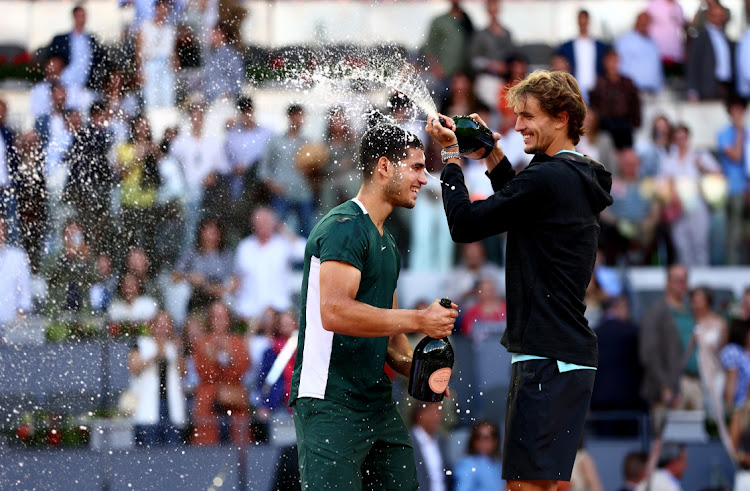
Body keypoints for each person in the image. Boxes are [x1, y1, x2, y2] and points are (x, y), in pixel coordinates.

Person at [426, 69, 613, 487]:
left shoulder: (547, 176)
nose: (518, 126)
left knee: (525, 485)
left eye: (528, 116)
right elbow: (521, 200)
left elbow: (464, 224)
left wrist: (453, 156)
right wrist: (490, 153)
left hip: (545, 355)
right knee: (551, 484)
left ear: (561, 117)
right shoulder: (572, 175)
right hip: (568, 354)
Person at [288, 122, 458, 490]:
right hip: (329, 402)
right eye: (415, 167)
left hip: (376, 402)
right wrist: (420, 319)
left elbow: (393, 342)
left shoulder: (388, 243)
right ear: (384, 167)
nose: (423, 178)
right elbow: (333, 311)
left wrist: (420, 371)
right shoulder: (344, 226)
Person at [127, 311, 187, 446]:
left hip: (172, 407)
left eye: (166, 325)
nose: (163, 329)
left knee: (173, 452)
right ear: (152, 326)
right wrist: (156, 355)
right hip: (146, 409)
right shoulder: (141, 343)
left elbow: (183, 373)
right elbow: (133, 367)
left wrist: (178, 351)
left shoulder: (175, 347)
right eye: (160, 325)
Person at [615, 12, 664, 94]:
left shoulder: (653, 42)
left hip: (652, 92)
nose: (644, 24)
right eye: (642, 21)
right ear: (636, 21)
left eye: (647, 22)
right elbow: (617, 65)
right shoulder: (625, 40)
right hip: (633, 91)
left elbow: (657, 66)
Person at [411, 403, 453, 491]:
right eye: (432, 412)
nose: (437, 417)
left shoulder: (441, 441)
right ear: (419, 415)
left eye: (439, 411)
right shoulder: (408, 442)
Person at [454, 421, 504, 491]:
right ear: (473, 440)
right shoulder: (468, 464)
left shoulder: (498, 465)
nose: (483, 441)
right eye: (479, 437)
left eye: (490, 436)